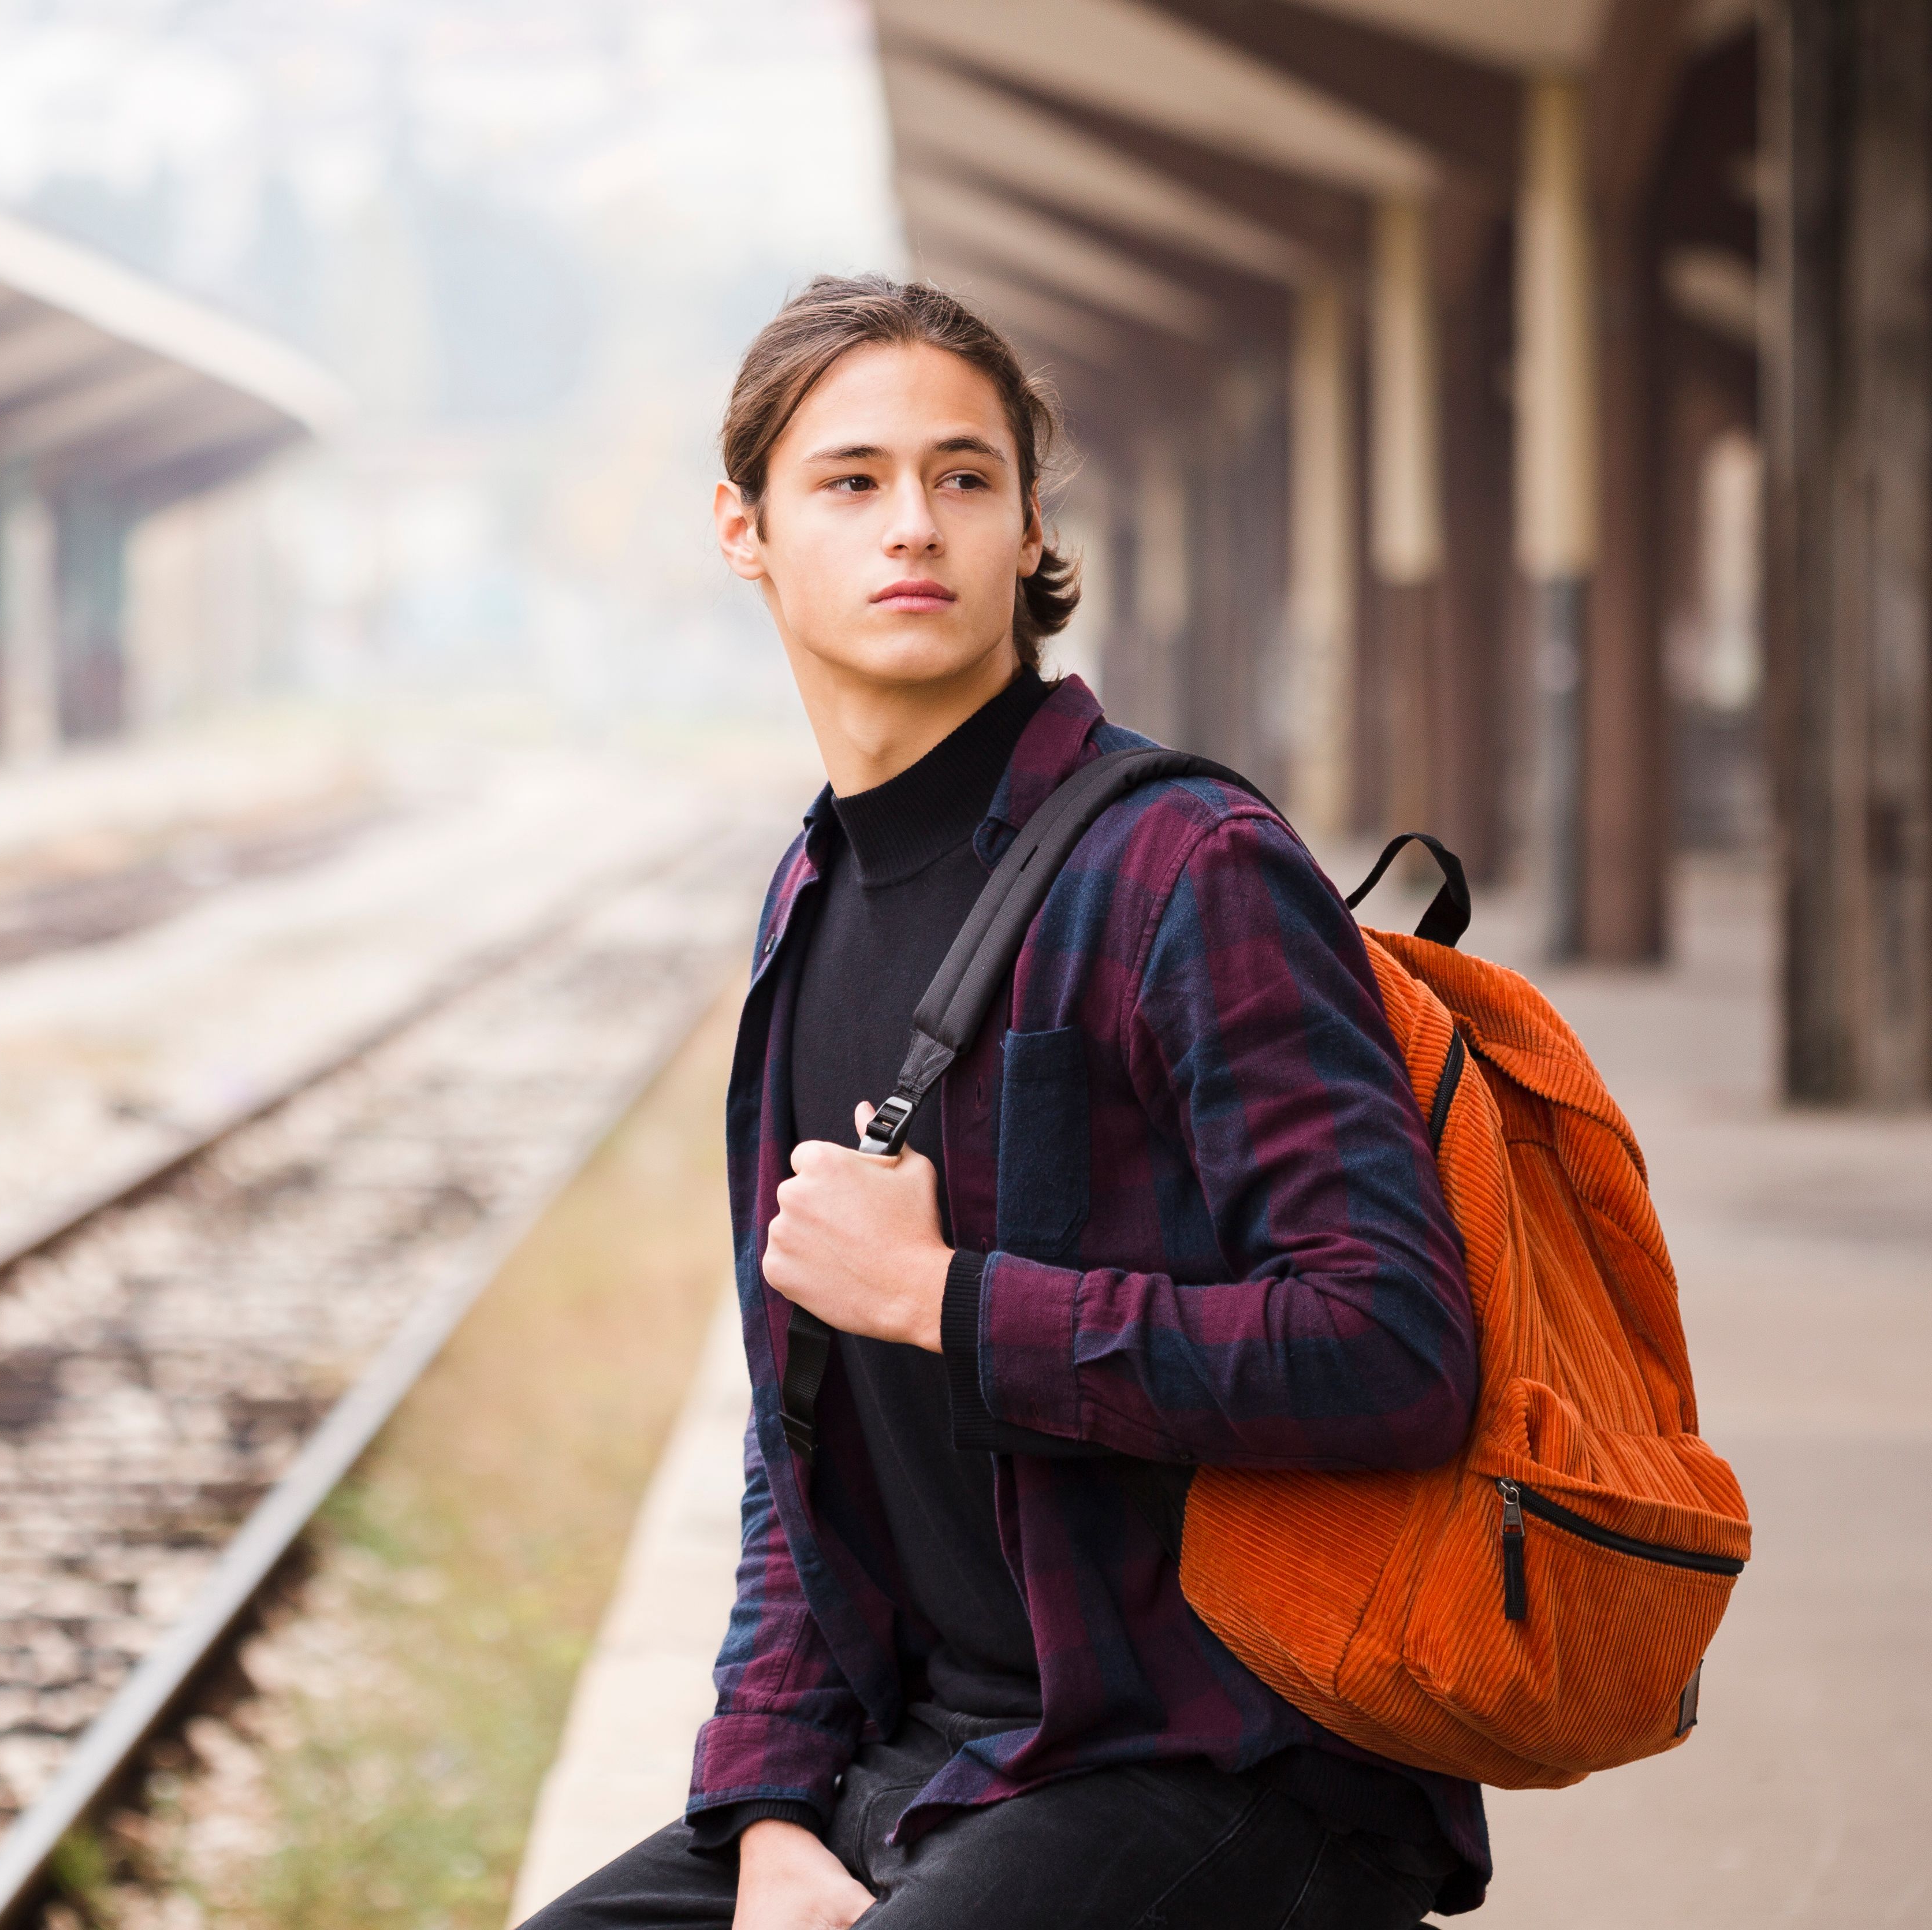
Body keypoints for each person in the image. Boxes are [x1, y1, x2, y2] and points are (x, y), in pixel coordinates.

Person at [527, 277, 1487, 1929]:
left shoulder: (1188, 870)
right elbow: (800, 1420)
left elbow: (1395, 1348)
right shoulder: (808, 901)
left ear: (1030, 521)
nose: (917, 524)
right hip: (932, 1754)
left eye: (965, 478)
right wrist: (765, 1808)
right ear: (744, 528)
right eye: (853, 481)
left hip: (1216, 1753)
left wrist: (949, 1299)